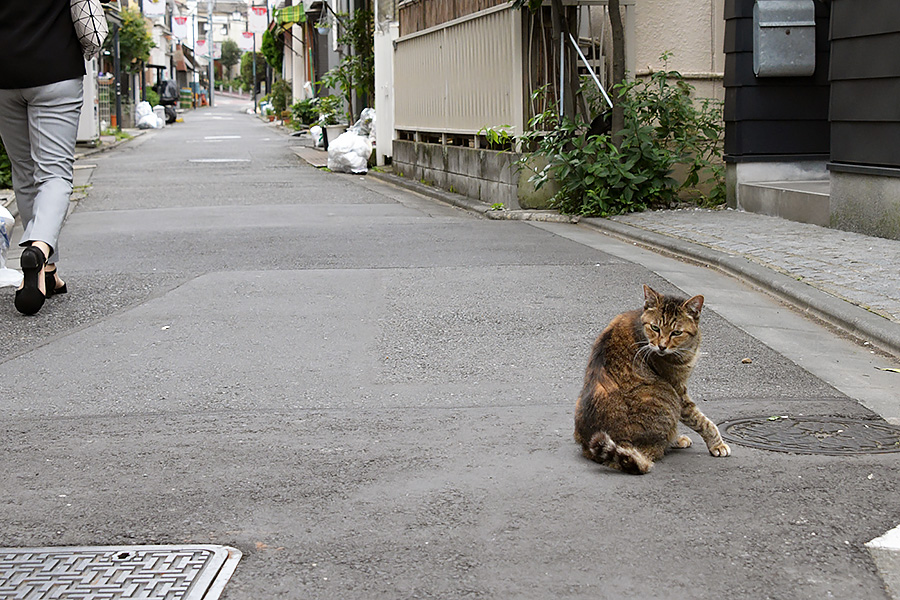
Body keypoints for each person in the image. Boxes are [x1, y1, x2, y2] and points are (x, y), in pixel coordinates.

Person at [0, 0, 91, 315]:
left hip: (4, 74)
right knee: (54, 174)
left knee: (24, 174)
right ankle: (38, 248)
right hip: (57, 68)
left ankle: (45, 273)